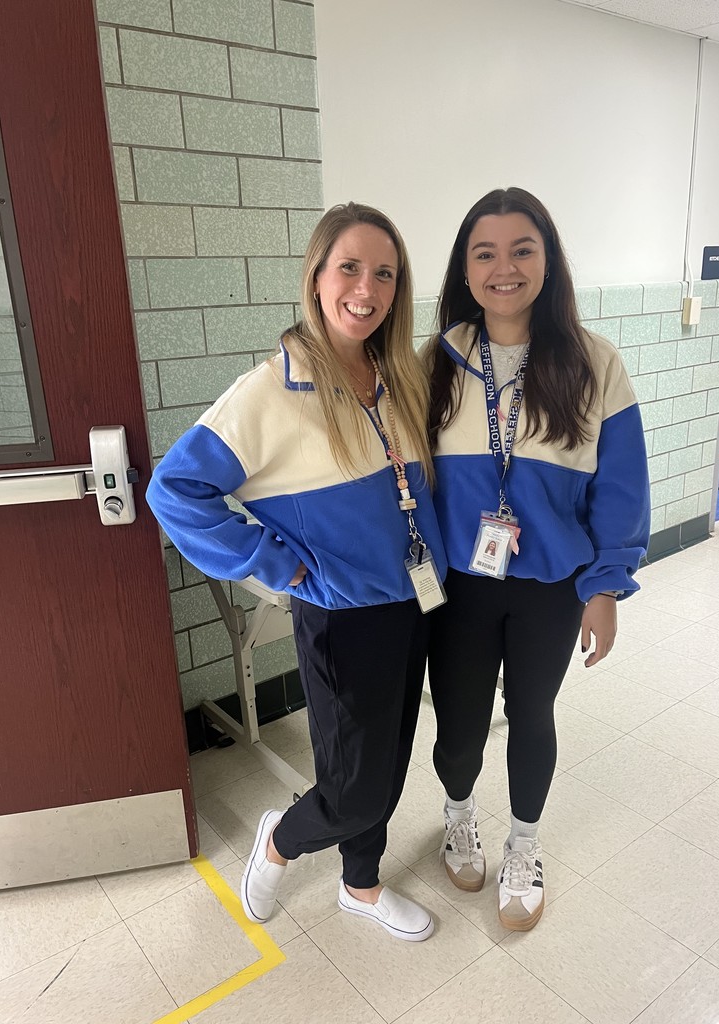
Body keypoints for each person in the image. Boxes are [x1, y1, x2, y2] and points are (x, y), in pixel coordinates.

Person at [147, 202, 447, 942]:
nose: (366, 288)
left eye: (384, 272)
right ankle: (280, 840)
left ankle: (361, 885)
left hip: (415, 601)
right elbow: (172, 491)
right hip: (344, 617)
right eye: (349, 267)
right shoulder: (270, 391)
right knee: (352, 787)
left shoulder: (395, 375)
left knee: (388, 763)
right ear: (315, 277)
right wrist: (272, 561)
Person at [424, 187, 650, 931]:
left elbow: (620, 487)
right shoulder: (439, 361)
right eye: (485, 252)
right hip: (462, 584)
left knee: (531, 712)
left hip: (553, 584)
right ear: (466, 266)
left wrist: (606, 587)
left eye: (522, 249)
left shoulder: (595, 364)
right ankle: (458, 813)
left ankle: (525, 842)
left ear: (548, 261)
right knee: (457, 724)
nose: (504, 268)